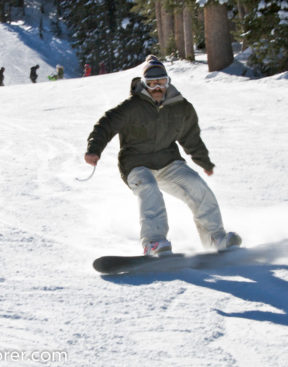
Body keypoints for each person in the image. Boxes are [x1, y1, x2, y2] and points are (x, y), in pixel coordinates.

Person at [84, 55, 241, 256]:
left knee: (197, 186)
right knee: (149, 188)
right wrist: (94, 149)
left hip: (168, 162)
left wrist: (203, 161)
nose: (157, 88)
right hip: (136, 164)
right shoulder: (132, 107)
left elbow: (191, 137)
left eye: (161, 82)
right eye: (151, 83)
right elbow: (106, 124)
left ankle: (215, 238)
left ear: (168, 82)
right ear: (144, 85)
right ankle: (153, 243)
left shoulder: (180, 107)